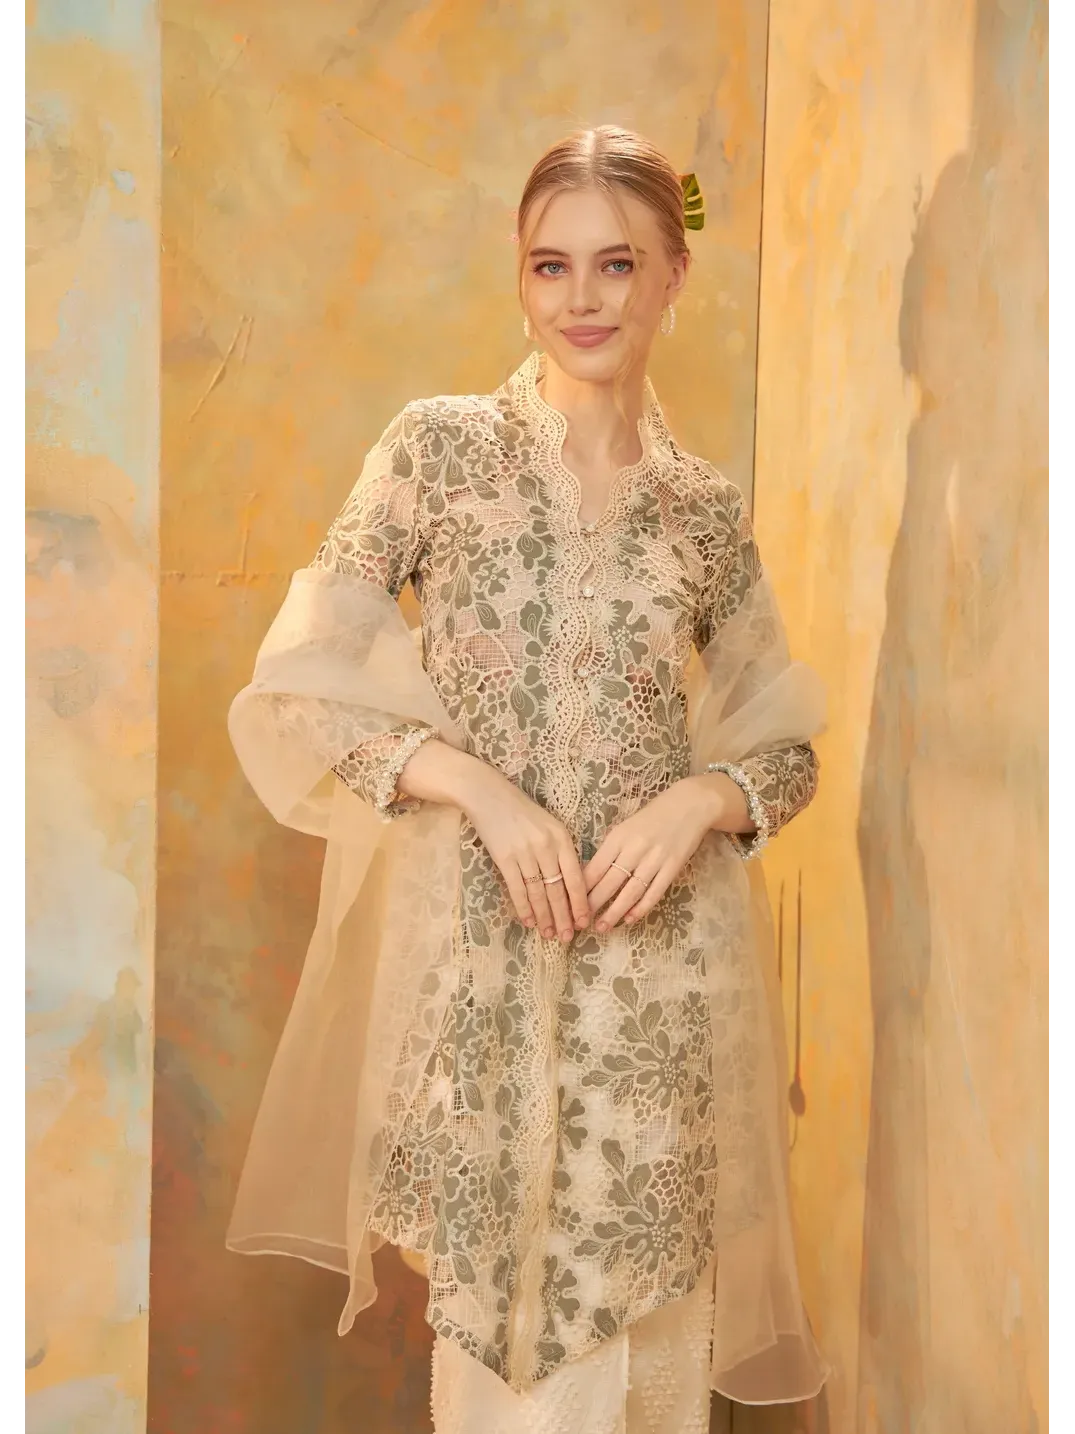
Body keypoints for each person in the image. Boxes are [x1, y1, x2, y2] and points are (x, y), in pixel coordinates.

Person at [227, 125, 829, 1434]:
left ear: (672, 273)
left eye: (616, 263)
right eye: (550, 265)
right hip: (485, 983)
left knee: (651, 1358)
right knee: (518, 1373)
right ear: (519, 274)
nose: (581, 299)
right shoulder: (437, 452)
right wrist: (478, 791)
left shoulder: (702, 510)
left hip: (659, 992)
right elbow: (303, 679)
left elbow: (784, 749)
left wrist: (699, 798)